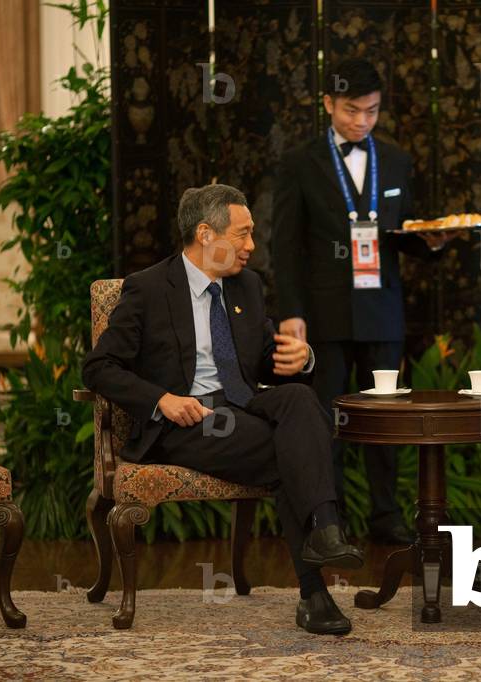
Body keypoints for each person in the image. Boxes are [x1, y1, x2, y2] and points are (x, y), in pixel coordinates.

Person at [83, 184, 362, 636]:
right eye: (243, 234)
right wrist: (162, 399)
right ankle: (316, 585)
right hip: (187, 420)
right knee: (289, 448)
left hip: (244, 406)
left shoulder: (246, 286)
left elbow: (270, 359)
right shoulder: (150, 288)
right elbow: (98, 368)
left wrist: (302, 358)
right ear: (206, 233)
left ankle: (324, 535)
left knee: (299, 398)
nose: (252, 246)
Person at [272, 58, 459, 545]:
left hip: (382, 311)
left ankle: (385, 515)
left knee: (386, 420)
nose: (362, 121)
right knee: (325, 421)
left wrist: (431, 242)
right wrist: (292, 313)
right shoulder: (299, 161)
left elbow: (404, 228)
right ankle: (327, 520)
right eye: (352, 110)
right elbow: (286, 246)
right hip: (323, 313)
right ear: (329, 103)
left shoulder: (396, 159)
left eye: (372, 112)